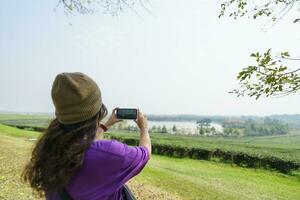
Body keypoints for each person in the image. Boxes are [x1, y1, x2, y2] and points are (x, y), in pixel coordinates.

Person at [22, 72, 151, 200]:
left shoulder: (50, 148)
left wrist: (106, 125)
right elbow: (145, 154)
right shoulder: (112, 154)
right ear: (98, 110)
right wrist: (144, 127)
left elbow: (87, 145)